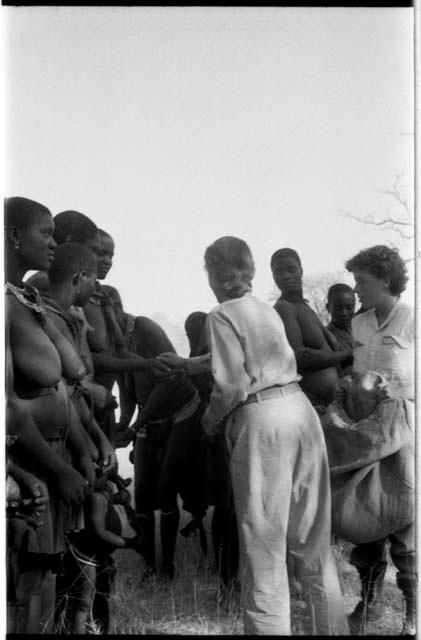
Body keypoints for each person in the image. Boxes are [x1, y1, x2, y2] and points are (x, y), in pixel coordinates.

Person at [186, 235, 349, 635]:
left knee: (263, 547)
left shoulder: (221, 314)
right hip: (299, 410)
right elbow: (261, 357)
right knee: (314, 546)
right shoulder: (267, 310)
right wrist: (190, 364)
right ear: (251, 270)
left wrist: (209, 422)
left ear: (217, 275)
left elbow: (231, 385)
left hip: (263, 420)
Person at [4, 196, 93, 633]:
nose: (54, 244)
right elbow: (8, 411)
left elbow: (70, 373)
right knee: (20, 592)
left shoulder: (22, 299)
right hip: (27, 467)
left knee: (40, 581)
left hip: (46, 462)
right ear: (15, 236)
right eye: (45, 233)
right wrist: (58, 471)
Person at [345, 245, 415, 635]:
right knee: (367, 518)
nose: (356, 288)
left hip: (406, 434)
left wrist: (401, 392)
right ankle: (368, 603)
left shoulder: (413, 319)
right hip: (367, 434)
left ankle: (413, 613)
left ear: (385, 279)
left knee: (405, 524)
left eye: (362, 281)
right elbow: (358, 375)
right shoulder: (359, 325)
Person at [42, 242, 117, 472]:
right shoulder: (47, 319)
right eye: (93, 282)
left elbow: (72, 393)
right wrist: (88, 448)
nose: (95, 288)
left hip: (73, 436)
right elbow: (62, 394)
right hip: (55, 445)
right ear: (80, 278)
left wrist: (99, 439)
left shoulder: (67, 318)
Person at [271, 248, 353, 412]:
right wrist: (348, 353)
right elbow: (299, 357)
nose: (286, 276)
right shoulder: (283, 308)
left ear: (301, 270)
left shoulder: (304, 307)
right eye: (278, 272)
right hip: (316, 406)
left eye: (291, 269)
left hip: (336, 405)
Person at [325, 283, 356, 375]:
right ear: (328, 308)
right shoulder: (326, 336)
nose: (344, 313)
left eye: (349, 308)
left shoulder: (364, 328)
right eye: (338, 308)